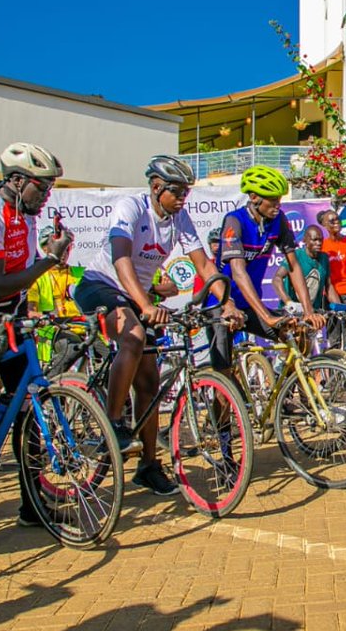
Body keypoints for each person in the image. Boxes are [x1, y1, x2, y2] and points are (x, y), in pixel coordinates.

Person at [76, 155, 241, 497]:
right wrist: (147, 305)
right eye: (177, 191)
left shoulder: (180, 218)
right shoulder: (131, 207)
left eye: (186, 192)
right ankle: (113, 422)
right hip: (102, 285)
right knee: (134, 335)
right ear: (156, 187)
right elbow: (121, 260)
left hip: (138, 295)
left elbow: (205, 266)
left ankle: (149, 466)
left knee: (149, 384)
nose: (183, 198)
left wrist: (226, 302)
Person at [0, 142, 72, 555]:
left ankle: (31, 505)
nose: (47, 195)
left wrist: (48, 255)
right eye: (42, 186)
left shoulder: (25, 214)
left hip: (15, 325)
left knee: (29, 419)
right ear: (17, 181)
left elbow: (23, 275)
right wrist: (50, 262)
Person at [212, 165, 324, 345]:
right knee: (223, 367)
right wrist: (266, 317)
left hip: (250, 303)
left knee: (296, 337)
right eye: (272, 200)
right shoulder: (235, 221)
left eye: (279, 200)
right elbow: (239, 272)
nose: (277, 205)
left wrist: (308, 310)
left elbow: (294, 266)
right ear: (254, 197)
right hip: (223, 303)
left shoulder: (279, 220)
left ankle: (291, 373)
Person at [26, 226, 88, 375]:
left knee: (110, 356)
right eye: (59, 248)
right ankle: (48, 388)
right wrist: (41, 317)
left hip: (85, 328)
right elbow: (30, 311)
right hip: (57, 331)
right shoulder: (37, 276)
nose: (64, 253)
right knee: (70, 348)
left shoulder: (81, 273)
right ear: (46, 249)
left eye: (67, 248)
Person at [274, 224, 338, 311]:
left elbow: (329, 286)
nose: (318, 243)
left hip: (313, 313)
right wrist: (288, 302)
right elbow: (277, 278)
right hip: (292, 312)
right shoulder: (296, 255)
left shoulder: (324, 258)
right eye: (314, 240)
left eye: (320, 240)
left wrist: (339, 307)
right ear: (305, 240)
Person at [317, 209, 346, 304]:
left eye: (338, 219)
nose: (336, 222)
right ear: (324, 225)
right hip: (330, 294)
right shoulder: (322, 246)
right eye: (332, 221)